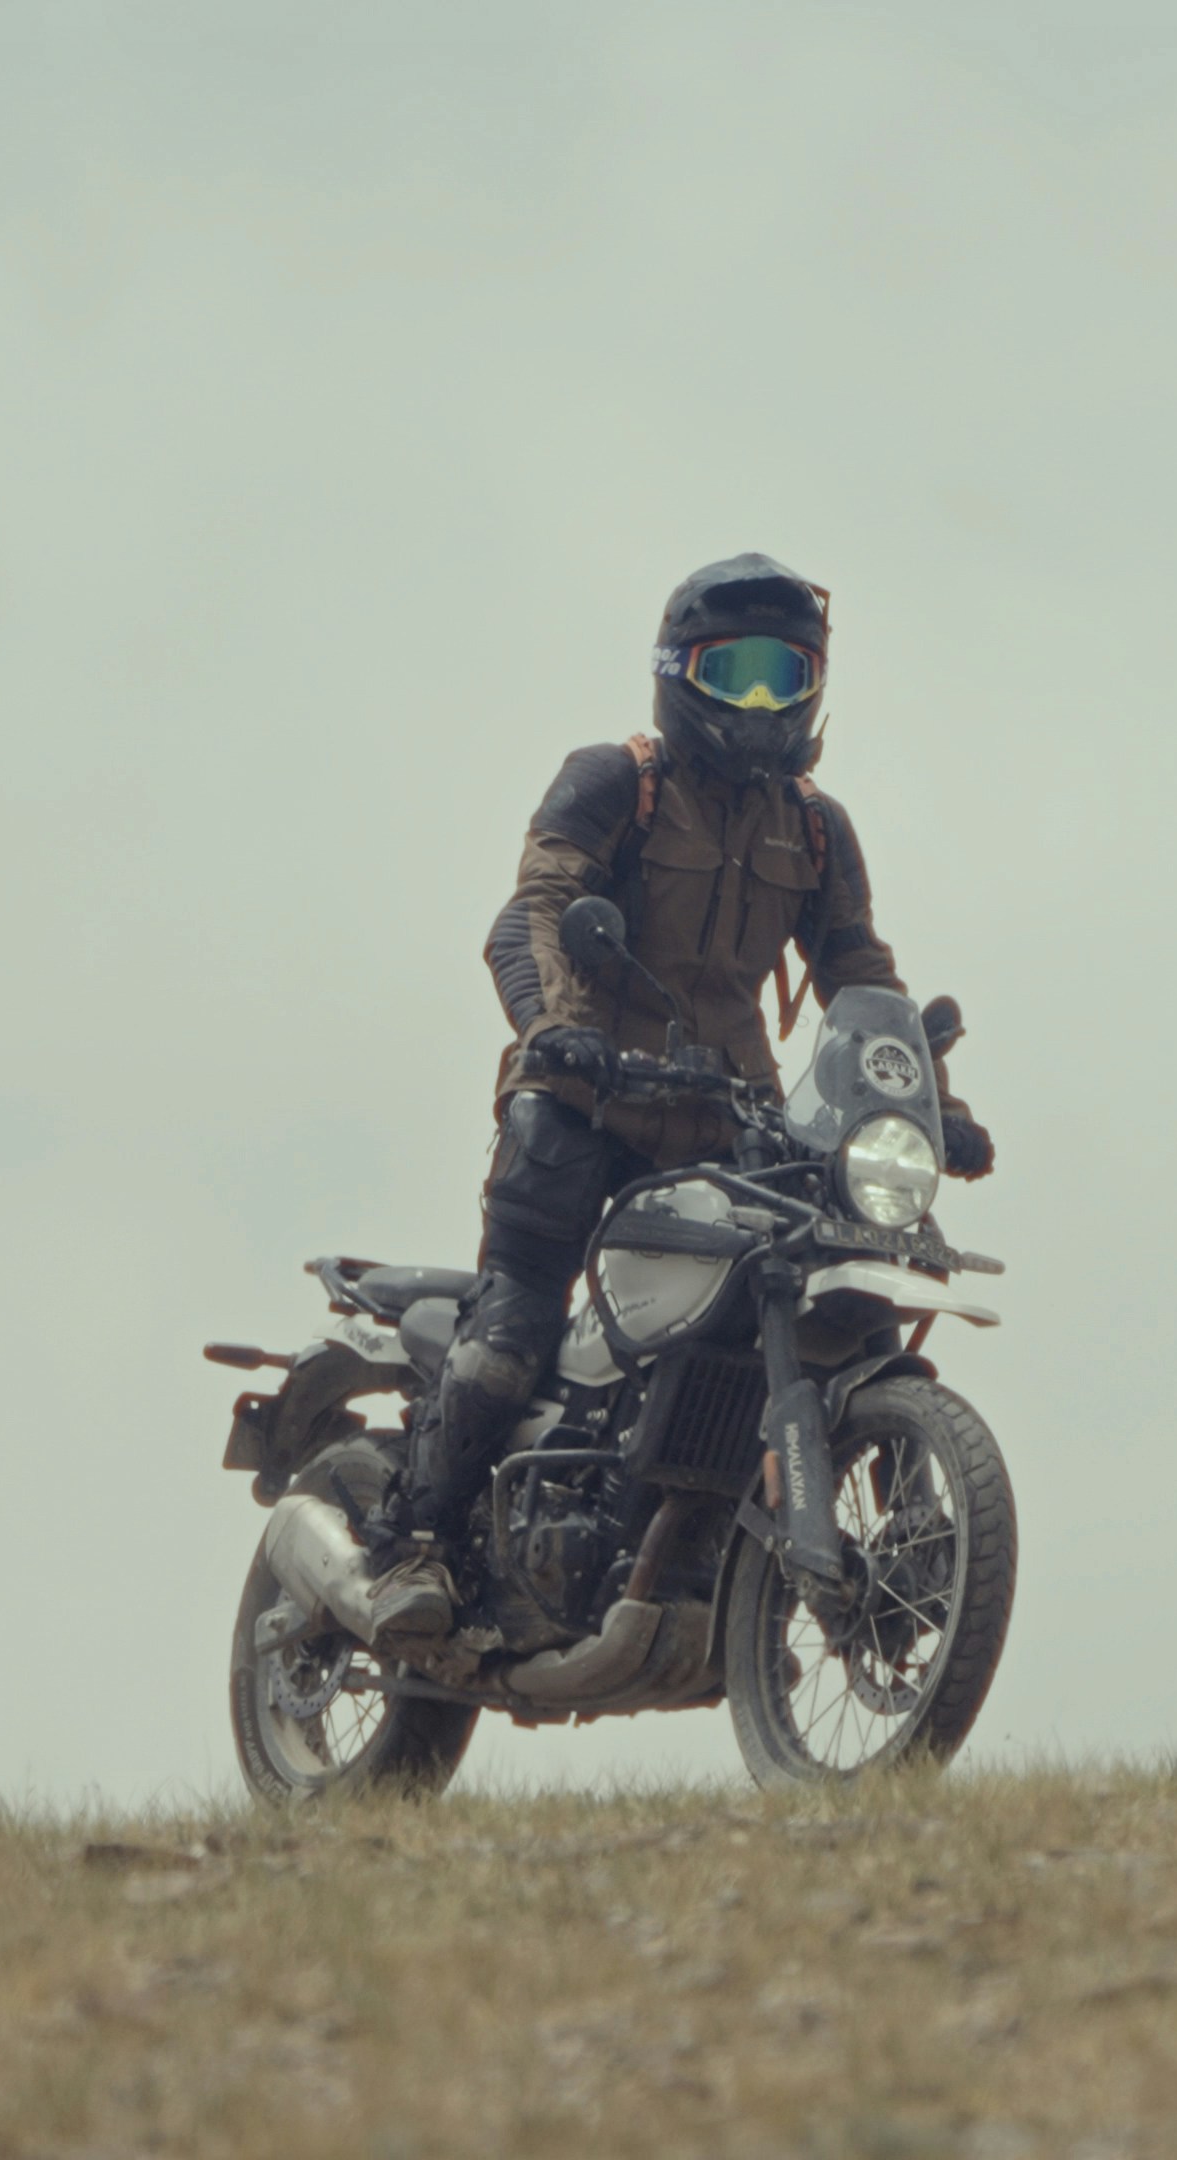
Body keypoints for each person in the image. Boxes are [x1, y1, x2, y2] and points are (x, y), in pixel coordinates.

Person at [351, 552, 992, 1638]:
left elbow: (860, 975)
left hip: (726, 1118)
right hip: (581, 1101)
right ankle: (415, 1545)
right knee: (512, 1331)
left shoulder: (818, 830)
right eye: (731, 672)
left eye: (781, 678)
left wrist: (924, 1100)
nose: (756, 703)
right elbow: (538, 907)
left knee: (811, 1293)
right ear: (675, 673)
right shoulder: (616, 781)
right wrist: (558, 1028)